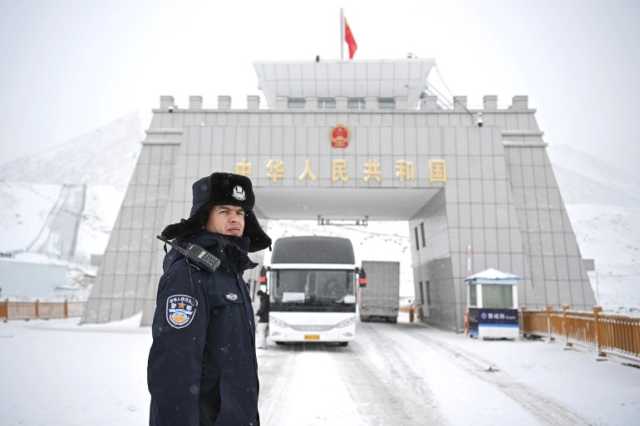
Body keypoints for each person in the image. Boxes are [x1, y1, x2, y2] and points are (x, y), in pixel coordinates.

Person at [147, 172, 271, 426]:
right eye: (224, 211)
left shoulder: (230, 272)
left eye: (240, 212)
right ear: (204, 217)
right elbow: (174, 366)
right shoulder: (189, 274)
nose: (235, 219)